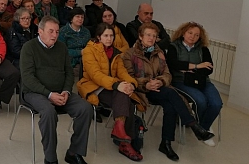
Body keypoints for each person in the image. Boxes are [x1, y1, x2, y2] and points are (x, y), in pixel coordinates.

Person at [122, 23, 214, 161]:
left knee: (170, 105)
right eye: (148, 35)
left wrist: (160, 81)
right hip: (140, 90)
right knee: (171, 95)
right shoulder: (129, 54)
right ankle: (193, 125)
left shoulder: (159, 53)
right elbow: (128, 76)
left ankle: (166, 143)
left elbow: (167, 74)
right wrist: (146, 83)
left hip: (159, 88)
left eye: (154, 36)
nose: (151, 38)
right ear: (140, 36)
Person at [20, 16, 92, 164]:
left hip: (61, 92)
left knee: (85, 108)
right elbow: (28, 78)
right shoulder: (29, 48)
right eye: (50, 31)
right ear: (40, 31)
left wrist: (66, 91)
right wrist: (49, 94)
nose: (54, 35)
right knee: (48, 112)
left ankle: (74, 152)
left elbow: (69, 73)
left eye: (57, 32)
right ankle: (51, 159)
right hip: (35, 92)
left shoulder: (62, 48)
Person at [77, 23, 143, 161]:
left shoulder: (116, 53)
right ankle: (125, 143)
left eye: (111, 36)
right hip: (93, 87)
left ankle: (120, 131)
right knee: (124, 98)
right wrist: (117, 84)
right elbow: (95, 75)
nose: (109, 39)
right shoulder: (89, 50)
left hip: (112, 87)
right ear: (99, 37)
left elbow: (123, 73)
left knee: (125, 97)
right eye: (106, 36)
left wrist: (131, 84)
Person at [166, 22, 222, 146]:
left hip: (202, 80)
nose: (193, 37)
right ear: (183, 33)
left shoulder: (203, 48)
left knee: (216, 103)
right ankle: (204, 131)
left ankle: (203, 127)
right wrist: (197, 65)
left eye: (196, 35)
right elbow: (173, 64)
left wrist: (188, 68)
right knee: (200, 101)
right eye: (190, 33)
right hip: (181, 81)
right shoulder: (174, 46)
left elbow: (209, 68)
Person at [60, 8, 91, 75]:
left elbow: (89, 47)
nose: (80, 19)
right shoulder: (63, 31)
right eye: (77, 16)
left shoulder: (86, 32)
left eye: (82, 17)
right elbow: (62, 50)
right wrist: (80, 52)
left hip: (84, 59)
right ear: (71, 18)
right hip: (69, 59)